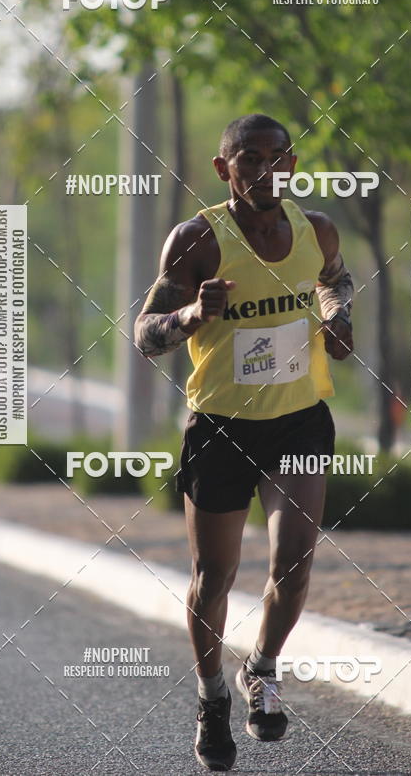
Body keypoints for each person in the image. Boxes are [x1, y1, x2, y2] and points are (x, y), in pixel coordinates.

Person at [134, 114, 353, 771]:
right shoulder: (197, 240)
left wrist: (338, 313)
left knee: (294, 562)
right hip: (222, 426)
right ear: (223, 169)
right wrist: (195, 315)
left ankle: (260, 670)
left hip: (300, 420)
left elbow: (334, 279)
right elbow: (145, 335)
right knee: (215, 577)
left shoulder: (316, 230)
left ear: (291, 164)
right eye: (248, 159)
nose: (265, 170)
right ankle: (210, 698)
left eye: (277, 158)